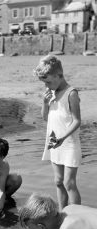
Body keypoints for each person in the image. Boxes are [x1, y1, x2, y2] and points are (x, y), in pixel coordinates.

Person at [34, 55, 81, 210]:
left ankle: (76, 217)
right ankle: (62, 212)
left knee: (69, 183)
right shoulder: (51, 93)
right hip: (55, 142)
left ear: (59, 75)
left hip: (68, 143)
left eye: (48, 81)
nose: (46, 85)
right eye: (44, 83)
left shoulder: (71, 93)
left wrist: (62, 137)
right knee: (58, 181)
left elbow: (76, 121)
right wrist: (45, 103)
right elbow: (46, 117)